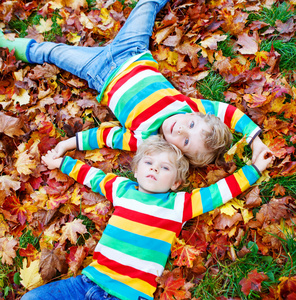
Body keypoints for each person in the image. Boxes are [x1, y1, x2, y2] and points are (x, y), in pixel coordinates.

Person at [0, 0, 270, 167]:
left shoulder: (145, 140)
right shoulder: (186, 105)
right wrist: (255, 140)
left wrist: (67, 145)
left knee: (52, 53)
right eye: (191, 125)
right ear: (195, 115)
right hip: (132, 50)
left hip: (98, 71)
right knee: (148, 4)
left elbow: (105, 136)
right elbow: (228, 112)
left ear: (177, 152)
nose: (181, 129)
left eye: (185, 141)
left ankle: (10, 45)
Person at [19, 134, 273, 300]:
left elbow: (218, 193)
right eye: (149, 163)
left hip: (129, 295)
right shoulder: (122, 190)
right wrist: (60, 163)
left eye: (164, 168)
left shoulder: (179, 205)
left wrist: (254, 169)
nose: (154, 168)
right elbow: (92, 176)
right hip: (86, 282)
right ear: (137, 169)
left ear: (175, 182)